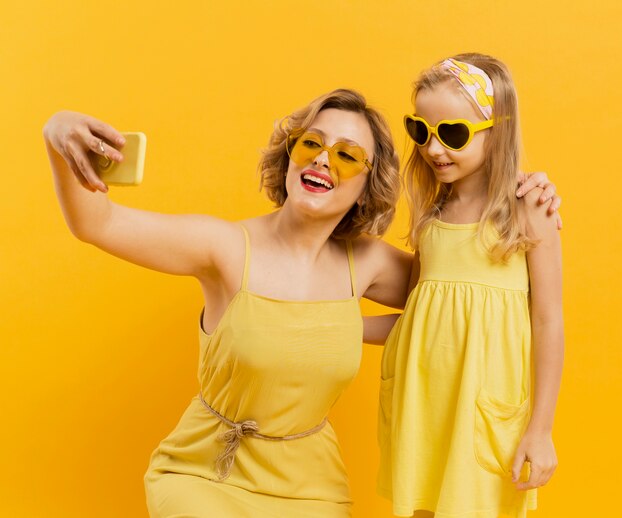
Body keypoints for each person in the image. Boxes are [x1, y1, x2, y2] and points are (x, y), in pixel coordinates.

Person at [44, 87, 558, 517]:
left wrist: (515, 193)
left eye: (346, 155)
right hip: (207, 473)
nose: (322, 159)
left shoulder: (369, 265)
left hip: (310, 484)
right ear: (290, 154)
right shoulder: (223, 248)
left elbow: (473, 296)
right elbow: (98, 223)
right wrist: (59, 131)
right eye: (312, 142)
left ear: (365, 184)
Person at [376, 54, 564, 518]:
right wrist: (334, 323)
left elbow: (548, 319)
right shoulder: (432, 215)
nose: (434, 149)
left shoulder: (527, 208)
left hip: (483, 410)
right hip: (424, 407)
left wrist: (541, 428)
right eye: (422, 131)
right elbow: (418, 315)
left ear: (496, 131)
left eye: (453, 134)